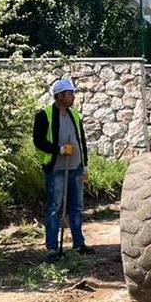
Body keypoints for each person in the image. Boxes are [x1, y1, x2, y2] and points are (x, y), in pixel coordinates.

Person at [33, 79, 93, 259]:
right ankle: (52, 248)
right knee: (54, 207)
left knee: (76, 207)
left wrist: (85, 166)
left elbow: (81, 141)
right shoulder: (44, 115)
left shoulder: (74, 115)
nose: (73, 97)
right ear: (60, 96)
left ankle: (79, 244)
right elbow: (38, 141)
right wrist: (58, 150)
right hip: (56, 168)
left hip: (75, 167)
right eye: (70, 94)